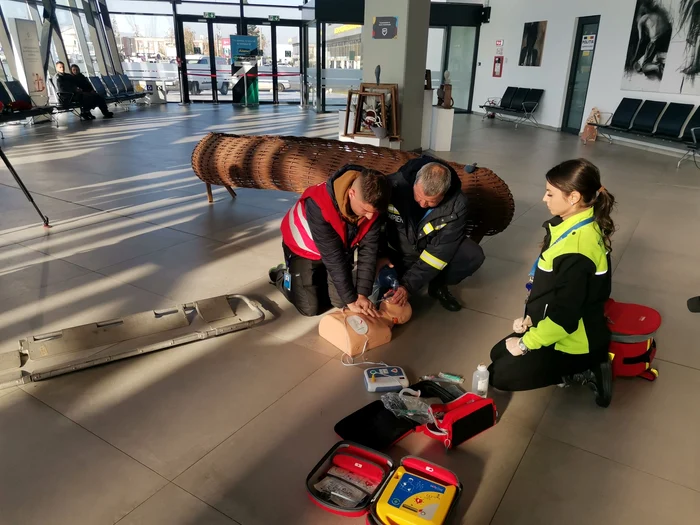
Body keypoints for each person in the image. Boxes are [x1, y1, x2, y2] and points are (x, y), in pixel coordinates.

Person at [488, 158, 615, 407]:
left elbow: (565, 318)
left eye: (550, 193)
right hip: (556, 323)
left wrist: (526, 344)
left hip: (574, 341)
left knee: (499, 375)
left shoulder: (578, 250)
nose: (544, 199)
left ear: (574, 197)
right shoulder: (572, 224)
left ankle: (588, 367)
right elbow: (554, 287)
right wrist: (531, 319)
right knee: (498, 353)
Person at [270, 165, 391, 318]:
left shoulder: (372, 202)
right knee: (310, 307)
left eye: (373, 213)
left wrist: (362, 295)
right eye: (365, 210)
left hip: (338, 248)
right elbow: (334, 258)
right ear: (351, 194)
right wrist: (351, 300)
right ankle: (282, 275)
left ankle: (319, 279)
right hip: (303, 249)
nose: (369, 217)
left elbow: (368, 252)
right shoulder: (319, 204)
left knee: (340, 301)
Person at [378, 157, 485, 312]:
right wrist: (381, 254)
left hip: (430, 250)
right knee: (384, 305)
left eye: (430, 202)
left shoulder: (457, 205)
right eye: (419, 197)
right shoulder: (391, 186)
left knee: (472, 255)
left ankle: (437, 285)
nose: (422, 204)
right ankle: (399, 278)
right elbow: (374, 227)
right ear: (415, 182)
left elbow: (439, 253)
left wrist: (407, 286)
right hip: (397, 252)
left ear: (444, 193)